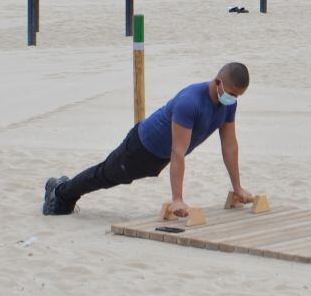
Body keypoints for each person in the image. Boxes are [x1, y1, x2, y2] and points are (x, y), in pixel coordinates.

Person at [42, 62, 254, 217]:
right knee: (106, 175)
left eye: (238, 96)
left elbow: (230, 146)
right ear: (218, 82)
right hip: (140, 148)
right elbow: (178, 152)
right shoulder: (190, 102)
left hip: (160, 157)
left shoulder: (228, 105)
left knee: (107, 176)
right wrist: (177, 199)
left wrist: (238, 187)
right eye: (231, 94)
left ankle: (63, 190)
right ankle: (60, 192)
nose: (233, 99)